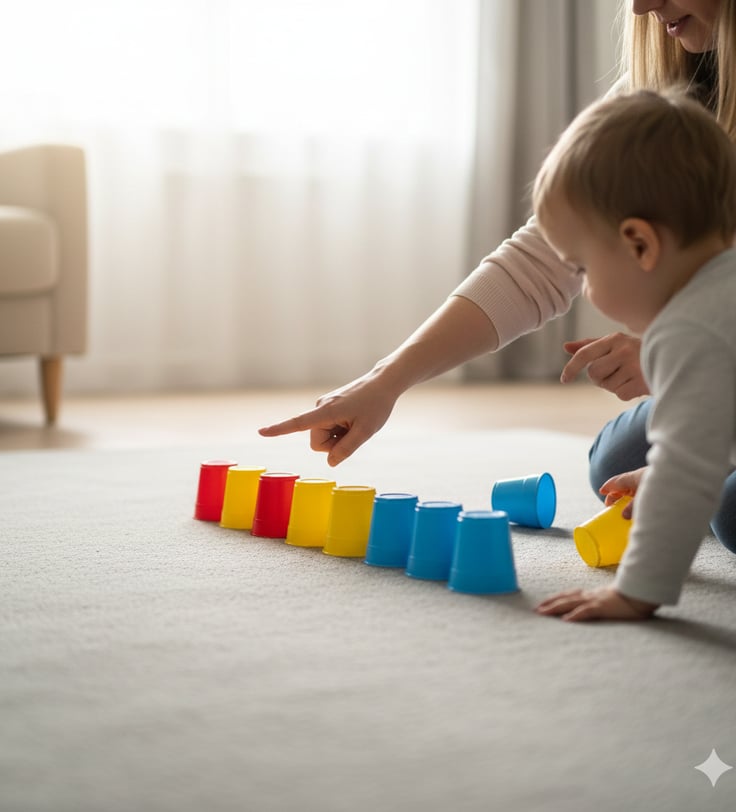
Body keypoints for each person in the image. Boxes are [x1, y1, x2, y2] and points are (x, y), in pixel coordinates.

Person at [259, 1, 736, 545]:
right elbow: (541, 262)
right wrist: (385, 383)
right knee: (615, 465)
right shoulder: (670, 86)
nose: (642, 6)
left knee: (731, 512)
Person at [530, 87, 736, 621]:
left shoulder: (689, 328)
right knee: (640, 466)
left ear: (640, 244)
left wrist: (635, 592)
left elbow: (689, 468)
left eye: (582, 269)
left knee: (723, 511)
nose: (586, 290)